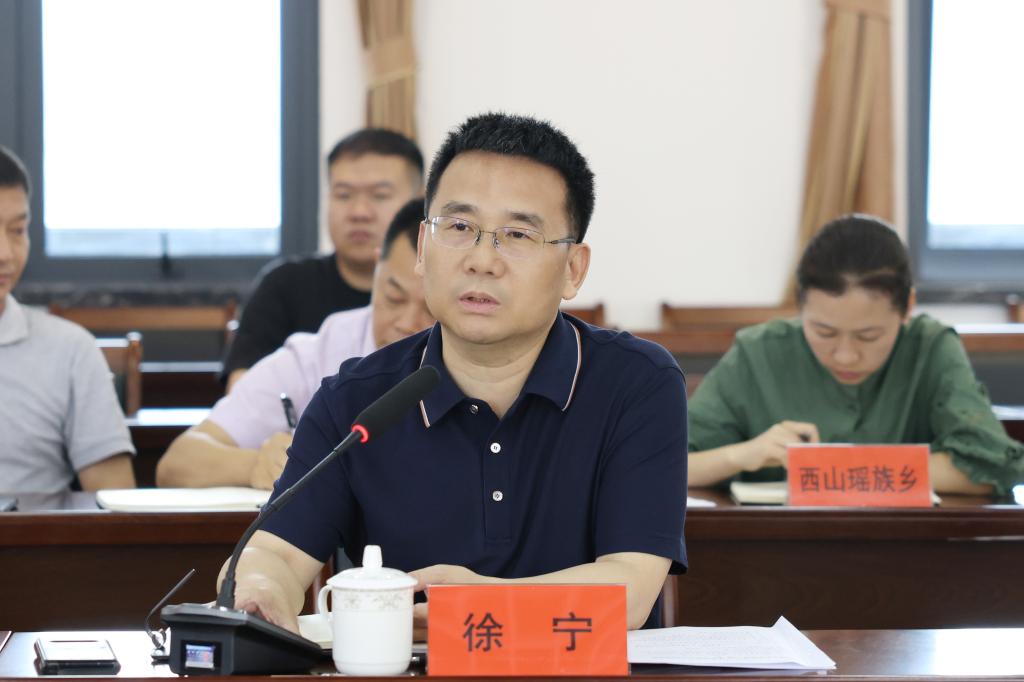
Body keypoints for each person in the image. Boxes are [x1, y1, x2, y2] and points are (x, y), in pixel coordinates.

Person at [222, 113, 688, 635]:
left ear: (573, 270)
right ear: (423, 249)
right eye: (460, 228)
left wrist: (477, 605)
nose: (481, 260)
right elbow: (275, 555)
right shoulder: (355, 402)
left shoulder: (636, 383)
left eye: (518, 234)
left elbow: (630, 587)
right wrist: (260, 592)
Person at [687, 214, 1024, 494]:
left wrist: (833, 470)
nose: (845, 356)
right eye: (824, 332)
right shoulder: (757, 352)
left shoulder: (930, 347)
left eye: (868, 336)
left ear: (907, 307)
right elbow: (669, 465)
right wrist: (740, 456)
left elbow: (993, 466)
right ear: (800, 305)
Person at [157, 199, 434, 489]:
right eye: (394, 298)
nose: (407, 323)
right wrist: (256, 465)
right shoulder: (320, 354)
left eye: (430, 308)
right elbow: (178, 463)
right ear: (377, 270)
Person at [222, 129, 424, 390]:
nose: (359, 212)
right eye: (343, 194)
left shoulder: (444, 288)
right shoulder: (285, 285)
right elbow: (243, 392)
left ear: (421, 201)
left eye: (380, 195)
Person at [0, 145, 136, 493]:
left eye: (17, 230)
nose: (5, 254)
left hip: (32, 529)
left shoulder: (71, 350)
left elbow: (113, 496)